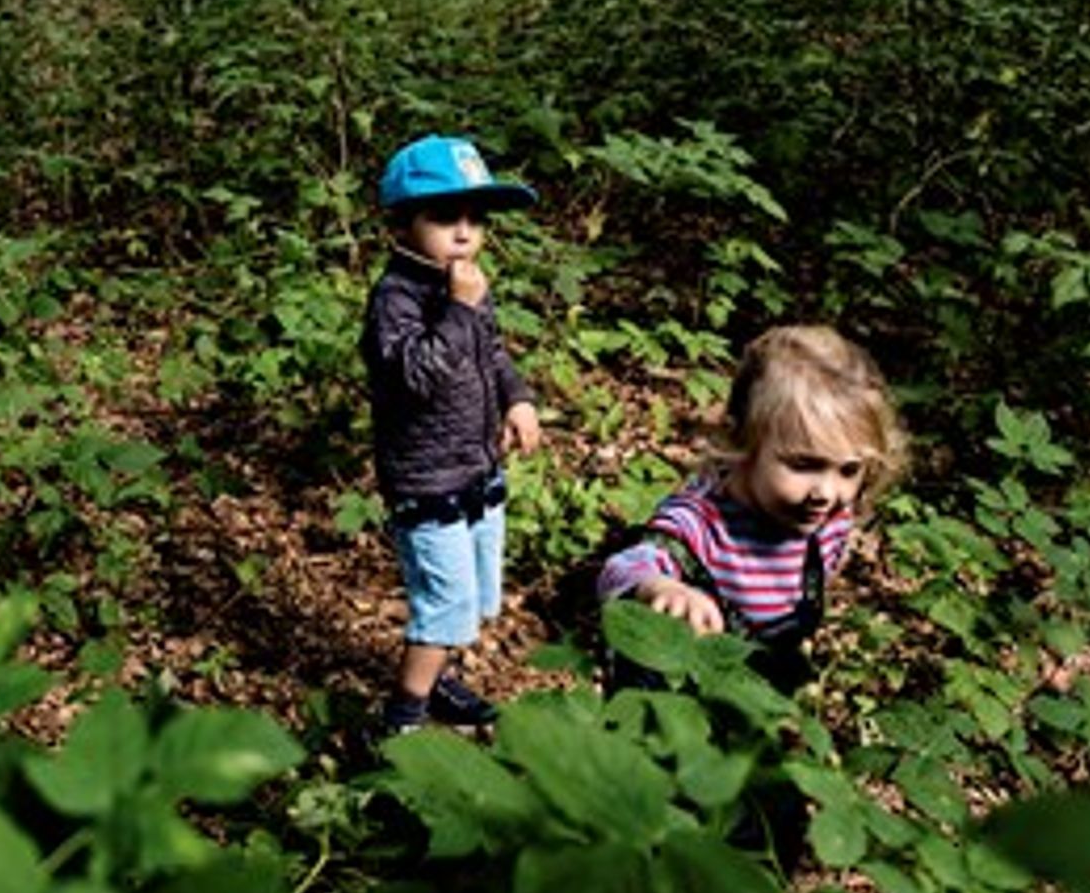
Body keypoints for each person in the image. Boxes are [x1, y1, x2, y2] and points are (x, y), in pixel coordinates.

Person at [595, 324, 907, 690]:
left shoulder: (829, 520)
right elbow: (623, 567)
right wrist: (660, 587)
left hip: (763, 677)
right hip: (690, 684)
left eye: (849, 470)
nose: (825, 492)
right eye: (803, 465)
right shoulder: (702, 522)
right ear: (742, 442)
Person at [360, 135, 544, 740]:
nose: (464, 232)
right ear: (403, 224)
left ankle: (439, 681)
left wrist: (517, 398)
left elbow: (491, 350)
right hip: (426, 477)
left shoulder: (464, 283)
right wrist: (460, 309)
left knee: (479, 595)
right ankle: (402, 718)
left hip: (477, 468)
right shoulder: (395, 299)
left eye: (475, 217)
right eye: (444, 217)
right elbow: (417, 378)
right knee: (446, 604)